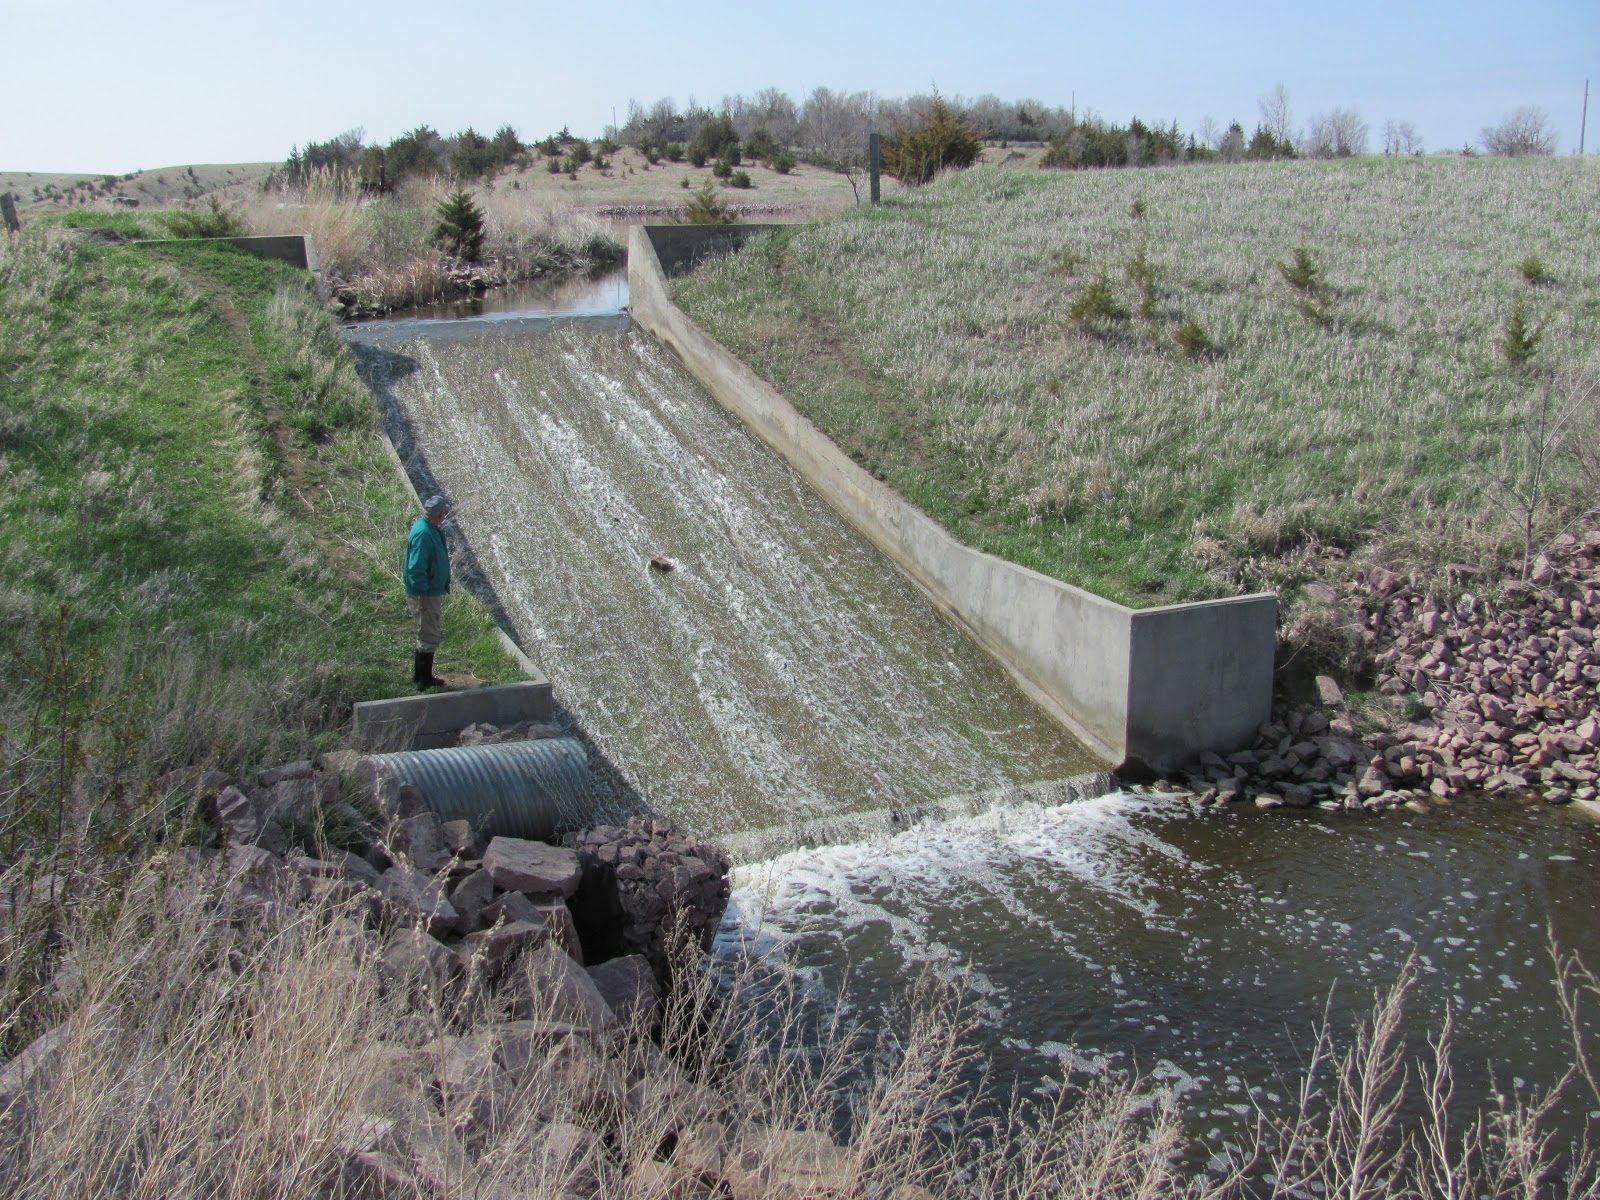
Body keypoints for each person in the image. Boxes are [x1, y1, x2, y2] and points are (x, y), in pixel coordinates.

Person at [404, 494, 452, 691]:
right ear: (439, 514)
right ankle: (424, 681)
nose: (445, 516)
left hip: (430, 591)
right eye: (444, 513)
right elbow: (416, 568)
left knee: (427, 632)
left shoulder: (428, 527)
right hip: (425, 594)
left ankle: (420, 676)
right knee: (428, 634)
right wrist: (422, 595)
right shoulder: (424, 534)